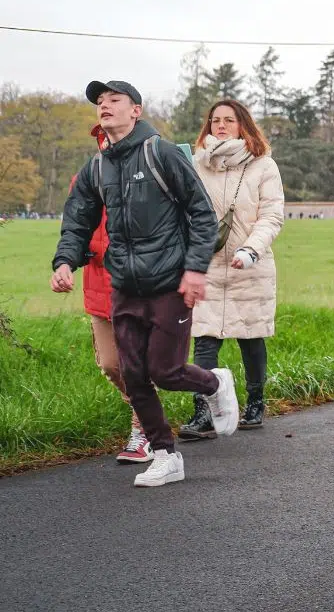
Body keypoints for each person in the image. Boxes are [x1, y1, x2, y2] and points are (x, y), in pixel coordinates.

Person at [51, 79, 238, 488]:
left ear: (136, 110)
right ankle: (166, 454)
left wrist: (194, 270)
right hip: (125, 285)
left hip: (170, 282)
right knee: (133, 374)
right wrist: (65, 261)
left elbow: (202, 214)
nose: (104, 106)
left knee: (165, 370)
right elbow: (78, 219)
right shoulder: (98, 166)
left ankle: (215, 381)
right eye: (100, 102)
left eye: (114, 100)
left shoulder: (162, 153)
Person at [179, 100, 285, 439]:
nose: (221, 126)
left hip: (249, 265)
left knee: (250, 336)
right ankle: (205, 410)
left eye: (229, 120)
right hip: (207, 265)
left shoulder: (263, 166)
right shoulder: (196, 165)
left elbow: (271, 215)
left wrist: (251, 249)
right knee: (204, 339)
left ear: (243, 125)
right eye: (215, 120)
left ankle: (255, 402)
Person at [71, 129, 151, 464]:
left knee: (138, 363)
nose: (107, 140)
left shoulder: (144, 174)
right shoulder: (86, 176)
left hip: (137, 283)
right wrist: (74, 256)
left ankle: (143, 430)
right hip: (97, 285)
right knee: (109, 363)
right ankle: (146, 408)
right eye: (102, 136)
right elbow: (75, 224)